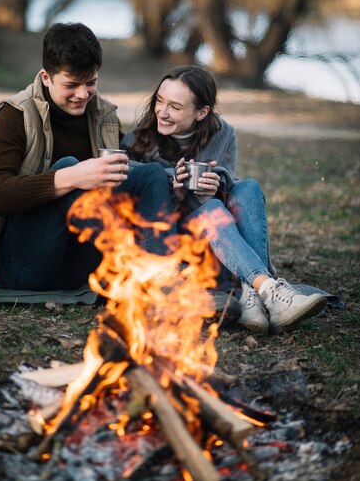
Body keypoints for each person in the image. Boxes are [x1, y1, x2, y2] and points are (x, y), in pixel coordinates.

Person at [0, 22, 177, 299]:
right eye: (72, 85)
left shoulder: (103, 115)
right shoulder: (14, 115)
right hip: (23, 266)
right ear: (46, 77)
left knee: (151, 173)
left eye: (91, 83)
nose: (83, 94)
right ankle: (133, 264)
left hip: (80, 263)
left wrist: (176, 178)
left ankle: (161, 276)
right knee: (68, 166)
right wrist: (72, 177)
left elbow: (132, 174)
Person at [121, 64, 328, 334]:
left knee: (248, 188)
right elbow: (138, 213)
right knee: (211, 209)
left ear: (202, 112)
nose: (162, 111)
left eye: (175, 106)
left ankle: (251, 296)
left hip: (216, 237)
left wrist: (214, 189)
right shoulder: (138, 141)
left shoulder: (223, 134)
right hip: (173, 245)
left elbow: (229, 185)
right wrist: (177, 190)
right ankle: (266, 287)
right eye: (159, 101)